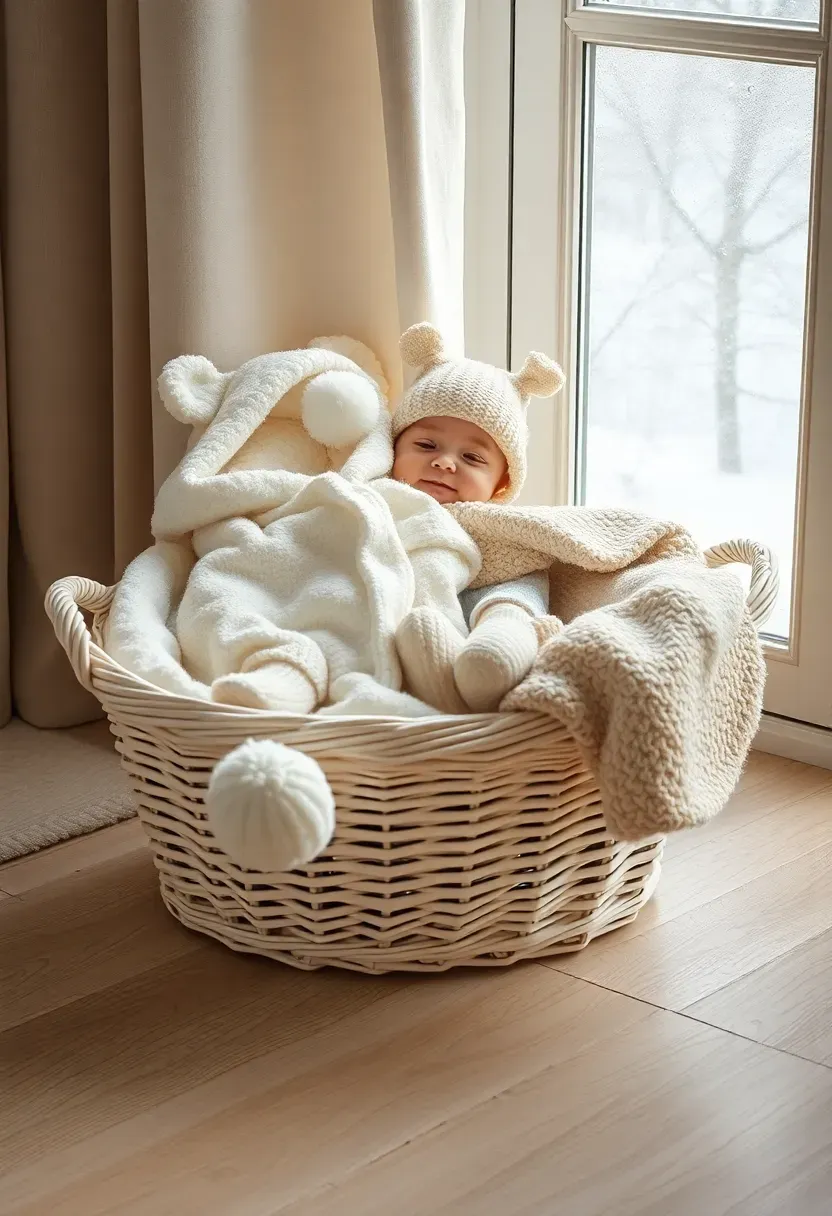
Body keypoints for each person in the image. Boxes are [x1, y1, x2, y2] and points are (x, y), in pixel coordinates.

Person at [391, 322, 565, 712]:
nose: (443, 462)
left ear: (501, 486)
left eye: (472, 458)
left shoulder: (498, 529)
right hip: (390, 622)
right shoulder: (379, 500)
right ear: (393, 450)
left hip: (473, 618)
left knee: (519, 587)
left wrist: (503, 617)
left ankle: (501, 640)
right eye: (425, 444)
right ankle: (440, 680)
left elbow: (531, 558)